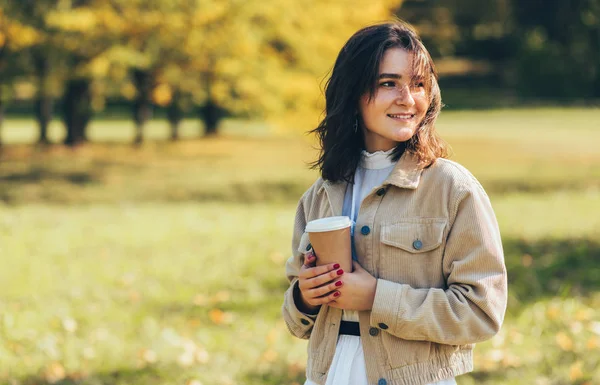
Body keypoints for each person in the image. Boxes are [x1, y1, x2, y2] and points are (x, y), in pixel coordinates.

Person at [281, 20, 508, 385]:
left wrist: (376, 297)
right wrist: (305, 296)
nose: (408, 98)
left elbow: (481, 313)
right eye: (389, 83)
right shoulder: (322, 193)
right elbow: (296, 322)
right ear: (354, 93)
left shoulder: (452, 189)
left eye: (418, 84)